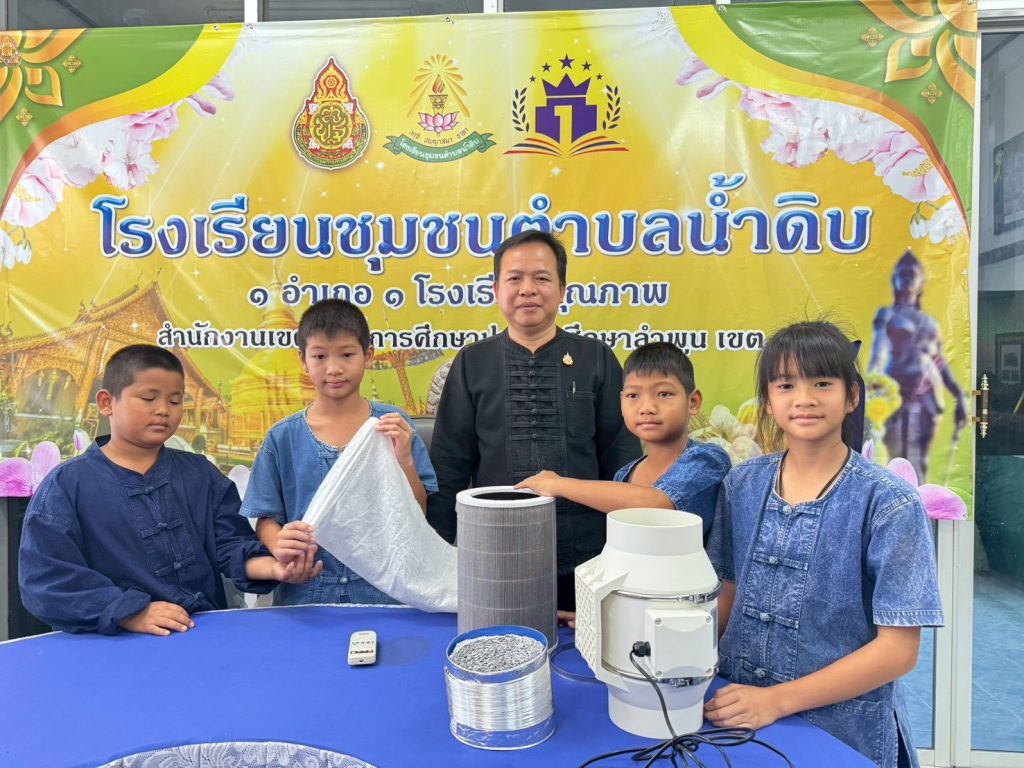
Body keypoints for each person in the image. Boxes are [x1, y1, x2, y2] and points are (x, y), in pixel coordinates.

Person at [704, 321, 943, 768]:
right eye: (786, 385)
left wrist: (775, 700)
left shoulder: (889, 502)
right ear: (768, 401)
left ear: (851, 396)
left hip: (842, 732)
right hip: (737, 712)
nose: (804, 398)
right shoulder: (741, 485)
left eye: (822, 383)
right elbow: (727, 594)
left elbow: (898, 651)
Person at [18, 344, 323, 636]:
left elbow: (231, 545)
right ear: (106, 402)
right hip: (113, 645)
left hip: (201, 635)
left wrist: (275, 568)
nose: (163, 410)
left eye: (175, 401)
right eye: (148, 398)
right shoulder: (66, 486)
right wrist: (129, 612)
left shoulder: (200, 474)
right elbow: (46, 580)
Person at [426, 230, 641, 614]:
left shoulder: (596, 359)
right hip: (495, 559)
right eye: (515, 278)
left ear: (562, 290)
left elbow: (623, 466)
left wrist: (628, 559)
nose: (528, 289)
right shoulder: (472, 363)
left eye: (541, 278)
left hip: (589, 563)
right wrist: (438, 560)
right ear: (496, 290)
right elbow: (448, 468)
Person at [241, 299, 438, 606]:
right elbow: (266, 517)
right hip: (306, 594)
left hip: (384, 591)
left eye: (347, 354)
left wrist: (405, 461)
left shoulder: (393, 425)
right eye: (320, 356)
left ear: (367, 356)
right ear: (303, 360)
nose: (333, 369)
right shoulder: (282, 437)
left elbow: (418, 512)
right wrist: (279, 544)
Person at [517, 342, 729, 534]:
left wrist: (559, 484)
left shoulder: (708, 459)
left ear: (693, 402)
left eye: (664, 394)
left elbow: (656, 506)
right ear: (621, 402)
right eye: (633, 395)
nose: (647, 408)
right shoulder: (625, 475)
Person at [869, 249, 967, 481]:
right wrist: (871, 387)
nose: (906, 278)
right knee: (895, 460)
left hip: (927, 398)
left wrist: (959, 395)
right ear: (894, 279)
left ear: (921, 281)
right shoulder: (887, 315)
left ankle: (920, 503)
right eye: (902, 273)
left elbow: (939, 361)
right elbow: (877, 355)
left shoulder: (929, 322)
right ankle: (897, 503)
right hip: (896, 397)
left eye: (912, 273)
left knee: (919, 460)